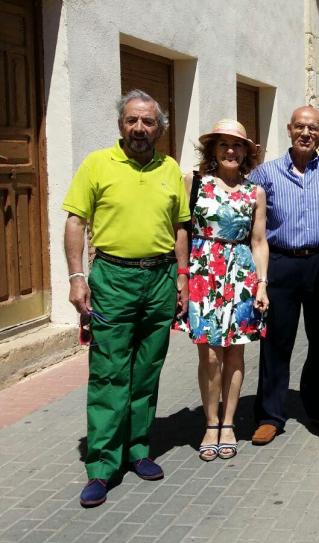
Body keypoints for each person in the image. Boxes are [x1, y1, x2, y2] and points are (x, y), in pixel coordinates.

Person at [63, 90, 189, 507]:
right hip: (113, 279)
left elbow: (181, 227)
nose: (139, 128)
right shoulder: (97, 164)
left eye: (148, 122)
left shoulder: (170, 168)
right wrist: (77, 277)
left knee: (147, 369)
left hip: (160, 278)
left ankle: (138, 450)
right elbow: (75, 221)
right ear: (121, 124)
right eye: (132, 120)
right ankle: (102, 465)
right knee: (109, 372)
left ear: (159, 128)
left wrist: (182, 277)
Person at [175, 119, 269, 461]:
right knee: (210, 354)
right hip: (203, 272)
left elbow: (258, 241)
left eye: (238, 145)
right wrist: (182, 275)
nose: (231, 150)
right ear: (213, 149)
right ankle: (210, 422)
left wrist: (262, 283)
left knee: (235, 353)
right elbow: (181, 231)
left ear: (246, 152)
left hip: (241, 274)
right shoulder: (194, 182)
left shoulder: (254, 192)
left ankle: (228, 423)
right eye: (224, 144)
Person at [249, 106, 319, 446]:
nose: (306, 133)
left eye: (313, 128)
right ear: (289, 129)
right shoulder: (265, 173)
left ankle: (317, 406)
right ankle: (270, 415)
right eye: (300, 127)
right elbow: (242, 209)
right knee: (276, 340)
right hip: (281, 263)